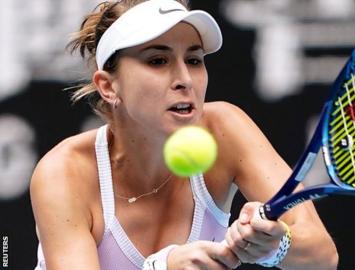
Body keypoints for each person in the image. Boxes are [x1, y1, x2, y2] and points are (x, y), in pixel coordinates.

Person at [30, 0, 338, 269]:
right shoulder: (63, 172)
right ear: (109, 86)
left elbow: (323, 257)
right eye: (157, 60)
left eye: (193, 60)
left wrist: (275, 247)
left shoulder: (225, 129)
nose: (185, 79)